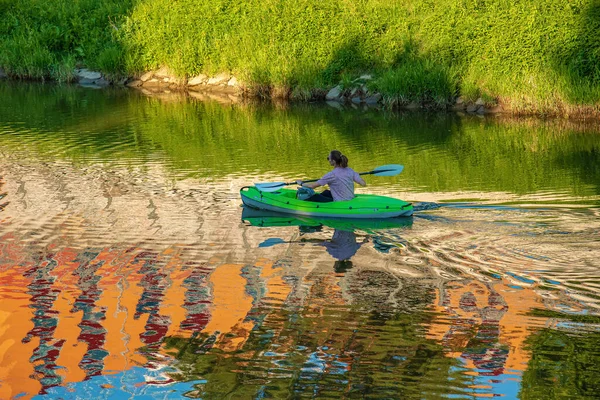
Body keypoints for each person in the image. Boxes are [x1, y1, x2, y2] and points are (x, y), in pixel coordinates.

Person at [296, 150, 366, 202]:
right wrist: (352, 175)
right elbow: (363, 183)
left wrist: (301, 183)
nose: (328, 160)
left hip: (340, 202)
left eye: (328, 158)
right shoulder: (350, 170)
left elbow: (312, 186)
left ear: (333, 161)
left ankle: (300, 202)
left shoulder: (331, 174)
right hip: (350, 198)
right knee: (326, 192)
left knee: (316, 196)